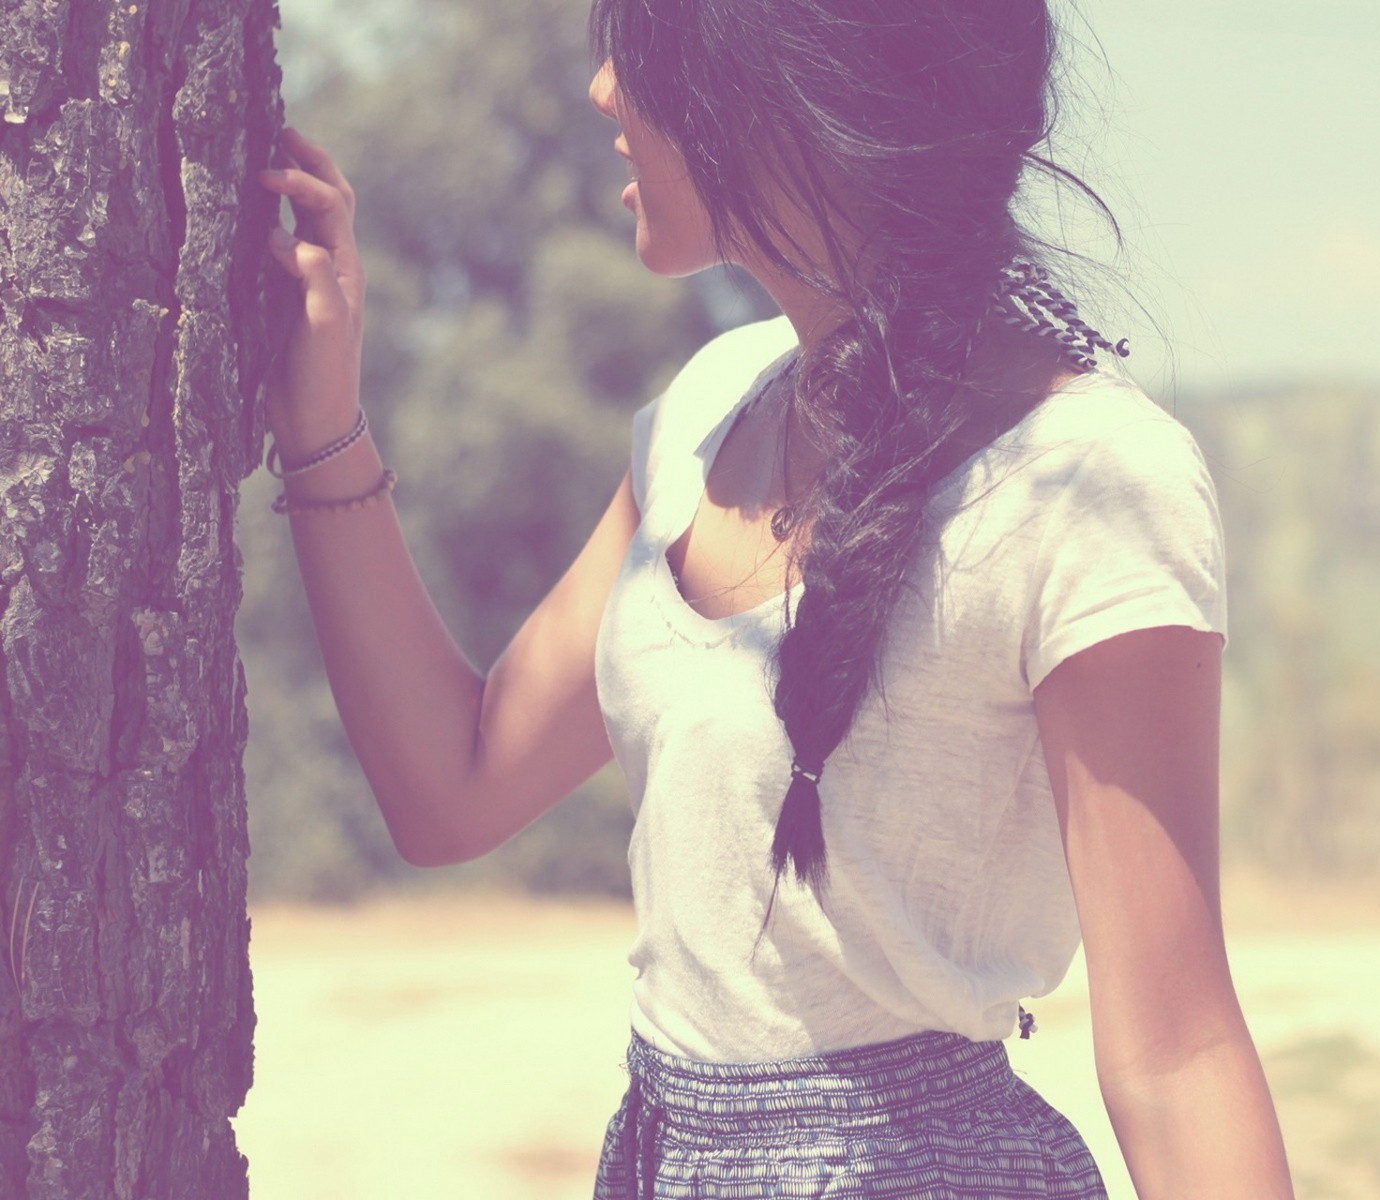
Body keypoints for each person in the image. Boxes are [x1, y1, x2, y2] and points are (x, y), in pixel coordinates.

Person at [253, 0, 1294, 1195]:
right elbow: (453, 786)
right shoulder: (706, 410)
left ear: (786, 82)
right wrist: (323, 422)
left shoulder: (1087, 482)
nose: (602, 92)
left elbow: (1178, 1056)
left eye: (640, 45)